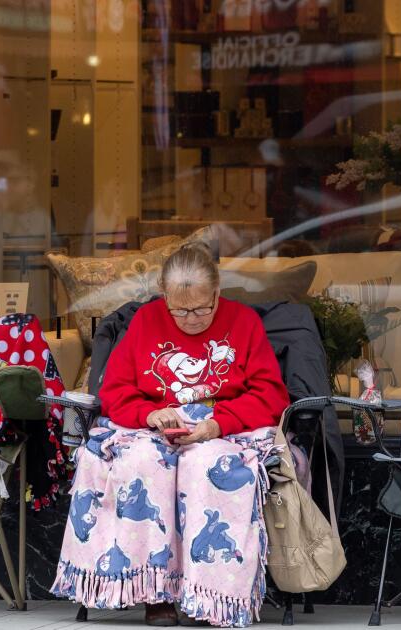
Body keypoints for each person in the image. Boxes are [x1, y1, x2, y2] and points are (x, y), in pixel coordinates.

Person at [50, 244, 290, 627]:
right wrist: (150, 414)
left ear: (217, 294)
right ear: (165, 297)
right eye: (181, 310)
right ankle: (156, 593)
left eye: (202, 309)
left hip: (221, 427)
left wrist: (217, 424)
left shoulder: (243, 322)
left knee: (212, 466)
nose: (192, 319)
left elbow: (269, 395)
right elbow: (114, 392)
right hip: (155, 426)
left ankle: (212, 596)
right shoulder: (146, 321)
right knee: (145, 462)